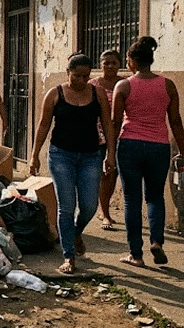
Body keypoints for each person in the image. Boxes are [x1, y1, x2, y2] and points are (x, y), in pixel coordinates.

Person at [29, 53, 115, 275]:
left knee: (89, 206)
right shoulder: (54, 94)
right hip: (61, 156)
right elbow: (43, 125)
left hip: (91, 156)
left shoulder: (97, 93)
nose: (81, 80)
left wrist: (111, 154)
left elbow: (107, 123)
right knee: (66, 206)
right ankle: (68, 256)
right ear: (68, 72)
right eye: (77, 76)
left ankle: (76, 233)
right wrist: (34, 154)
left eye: (86, 76)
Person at [112, 37, 184, 267]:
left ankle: (136, 254)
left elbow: (114, 123)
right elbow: (175, 121)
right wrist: (183, 150)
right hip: (159, 147)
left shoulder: (123, 86)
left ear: (132, 61)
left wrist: (109, 153)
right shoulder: (168, 85)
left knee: (132, 200)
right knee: (155, 197)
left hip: (130, 145)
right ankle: (157, 242)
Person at [90, 50, 125, 230]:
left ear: (120, 64)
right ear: (100, 64)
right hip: (97, 135)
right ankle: (103, 211)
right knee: (102, 173)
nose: (110, 66)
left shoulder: (125, 83)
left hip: (120, 134)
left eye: (113, 63)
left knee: (112, 173)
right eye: (106, 63)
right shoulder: (93, 85)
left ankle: (105, 210)